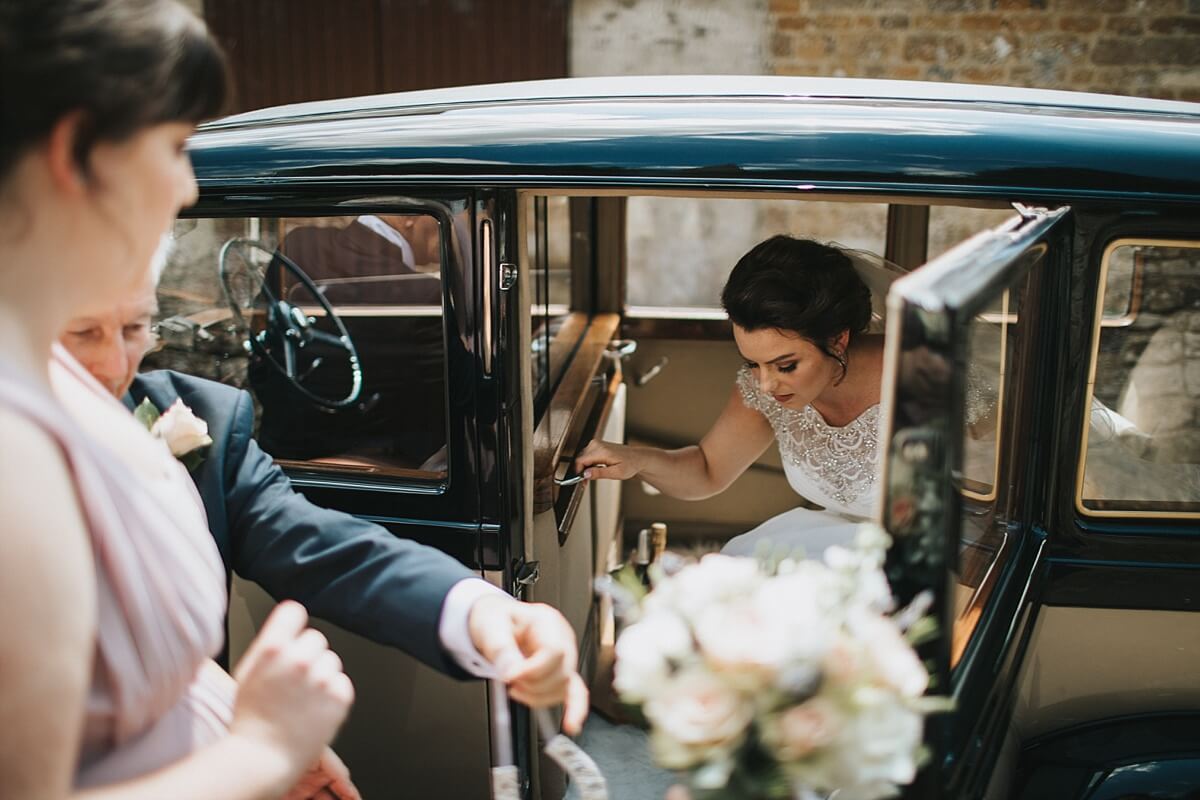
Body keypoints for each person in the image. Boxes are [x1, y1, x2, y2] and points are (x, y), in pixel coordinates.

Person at [0, 0, 359, 796]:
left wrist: (236, 723)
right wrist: (260, 749)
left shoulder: (55, 382)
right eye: (174, 147)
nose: (189, 188)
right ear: (79, 151)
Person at [61, 267, 590, 721]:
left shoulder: (201, 418)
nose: (114, 365)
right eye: (83, 332)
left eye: (134, 328)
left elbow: (317, 542)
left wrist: (480, 610)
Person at [577, 236, 901, 558]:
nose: (765, 385)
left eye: (785, 365)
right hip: (831, 548)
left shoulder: (922, 376)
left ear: (838, 340)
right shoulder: (764, 390)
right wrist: (637, 460)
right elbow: (707, 470)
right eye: (753, 364)